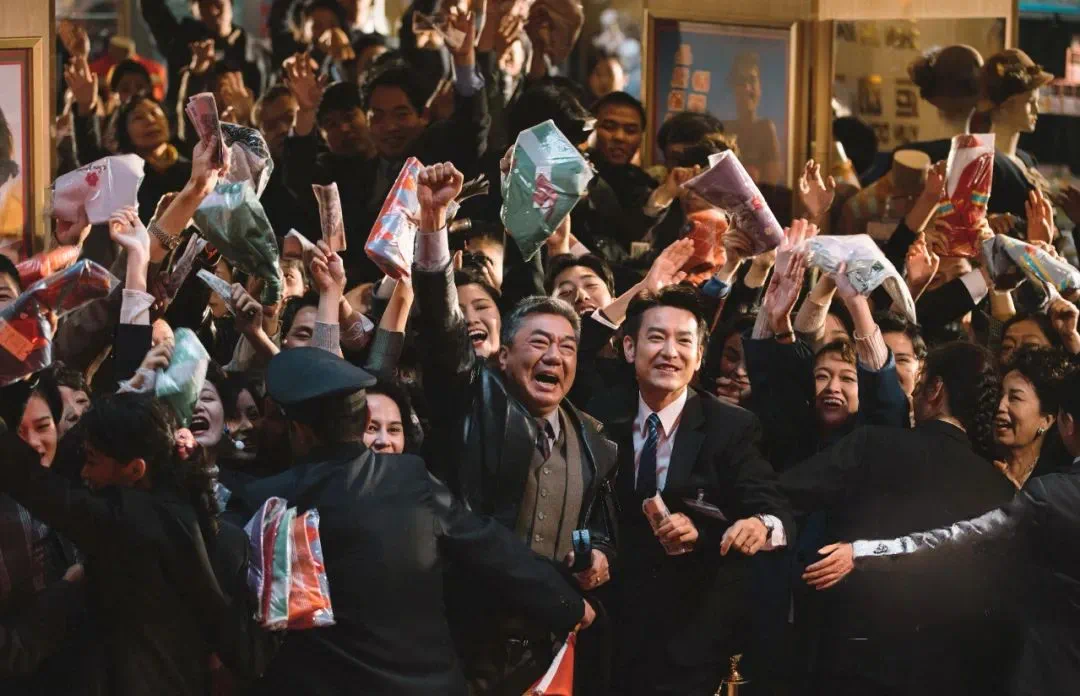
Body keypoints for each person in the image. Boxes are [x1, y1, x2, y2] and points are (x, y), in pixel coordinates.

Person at [225, 347, 594, 695]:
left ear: (300, 429)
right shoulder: (411, 479)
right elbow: (491, 548)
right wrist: (568, 604)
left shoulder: (266, 501)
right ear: (364, 421)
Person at [412, 162, 617, 692]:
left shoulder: (596, 442)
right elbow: (442, 328)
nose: (555, 356)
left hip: (546, 651)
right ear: (503, 357)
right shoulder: (472, 398)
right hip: (460, 641)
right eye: (539, 343)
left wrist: (597, 555)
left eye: (567, 347)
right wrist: (432, 224)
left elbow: (598, 526)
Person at [780, 342, 1017, 694]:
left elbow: (785, 493)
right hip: (951, 677)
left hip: (851, 666)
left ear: (935, 389)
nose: (914, 394)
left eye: (920, 383)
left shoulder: (872, 445)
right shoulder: (1002, 491)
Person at [0, 393, 268, 695]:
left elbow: (36, 485)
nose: (84, 472)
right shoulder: (193, 518)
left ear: (135, 470)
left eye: (92, 460)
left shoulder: (127, 522)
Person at [603, 286, 792, 695]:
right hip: (609, 633)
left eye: (684, 341)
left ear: (700, 355)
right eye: (656, 337)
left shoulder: (731, 427)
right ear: (629, 348)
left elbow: (772, 508)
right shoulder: (600, 417)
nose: (670, 352)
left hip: (692, 641)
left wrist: (758, 524)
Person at [846, 366, 1080, 696]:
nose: (1001, 407)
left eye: (1014, 397)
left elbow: (960, 539)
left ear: (1063, 422)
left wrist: (863, 551)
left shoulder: (1050, 494)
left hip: (1045, 670)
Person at [139, 0, 268, 112]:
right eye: (204, 5)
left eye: (218, 3)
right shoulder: (180, 42)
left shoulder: (255, 52)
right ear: (192, 9)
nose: (213, 11)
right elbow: (152, 9)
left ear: (230, 3)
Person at [571, 91, 657, 258]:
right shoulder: (574, 174)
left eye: (630, 130)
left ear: (641, 137)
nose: (619, 137)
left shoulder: (645, 184)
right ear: (591, 129)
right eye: (609, 127)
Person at [981, 49, 1055, 220]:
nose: (1037, 110)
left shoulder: (1025, 159)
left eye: (1036, 102)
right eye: (1030, 102)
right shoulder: (986, 163)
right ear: (1004, 106)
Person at [993, 347, 1076, 488]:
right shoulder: (978, 461)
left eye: (1015, 398)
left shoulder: (1058, 483)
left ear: (1046, 421)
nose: (1000, 406)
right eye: (999, 396)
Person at [725, 52, 782, 185]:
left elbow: (771, 182)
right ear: (733, 88)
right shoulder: (725, 129)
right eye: (741, 81)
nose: (747, 88)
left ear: (760, 87)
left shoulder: (766, 129)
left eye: (752, 80)